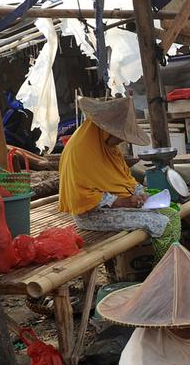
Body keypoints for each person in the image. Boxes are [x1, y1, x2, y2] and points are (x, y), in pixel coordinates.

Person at [58, 96, 181, 258]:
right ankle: (162, 270)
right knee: (160, 223)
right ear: (105, 129)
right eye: (119, 135)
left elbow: (124, 177)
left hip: (118, 205)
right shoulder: (80, 151)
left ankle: (171, 265)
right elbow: (80, 196)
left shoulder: (108, 146)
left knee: (172, 214)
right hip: (91, 214)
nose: (122, 139)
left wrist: (139, 192)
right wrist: (120, 201)